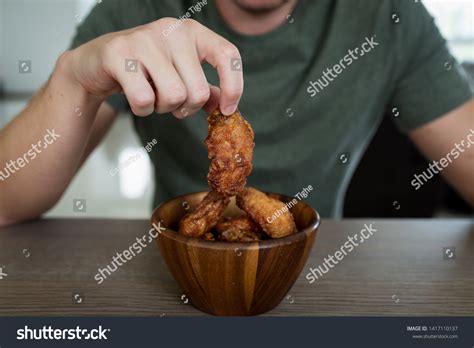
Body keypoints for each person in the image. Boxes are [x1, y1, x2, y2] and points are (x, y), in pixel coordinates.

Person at [0, 0, 472, 226]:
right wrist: (73, 79)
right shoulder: (133, 8)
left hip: (313, 276)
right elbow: (5, 203)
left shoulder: (388, 15)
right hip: (180, 269)